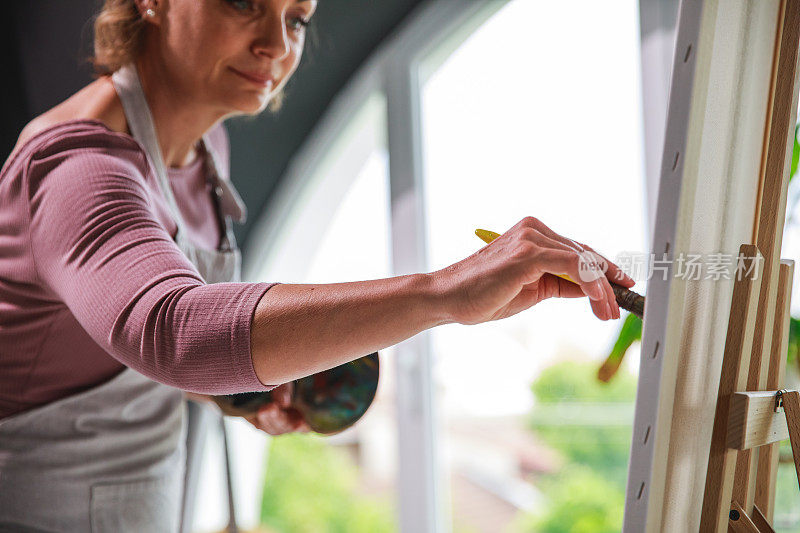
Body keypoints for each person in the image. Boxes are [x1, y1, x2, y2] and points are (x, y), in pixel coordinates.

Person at [0, 0, 634, 530]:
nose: (275, 44)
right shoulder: (76, 167)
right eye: (244, 2)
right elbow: (174, 330)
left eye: (297, 17)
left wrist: (246, 392)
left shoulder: (203, 151)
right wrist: (444, 292)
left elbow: (110, 345)